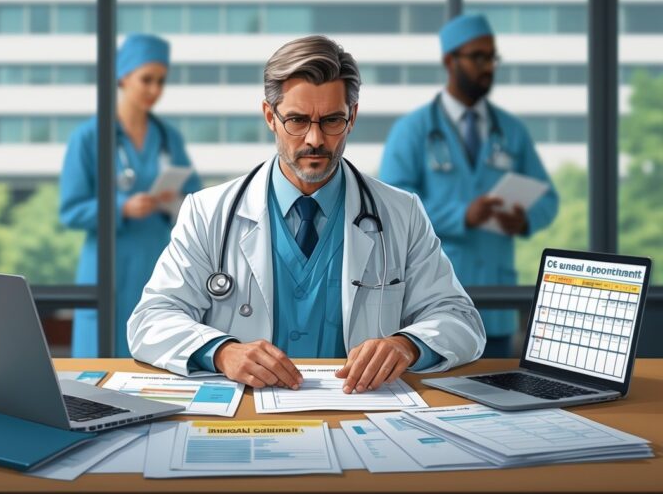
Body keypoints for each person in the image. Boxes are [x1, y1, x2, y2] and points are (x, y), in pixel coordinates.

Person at [127, 35, 484, 393]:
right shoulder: (208, 213)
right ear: (270, 116)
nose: (315, 139)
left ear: (352, 118)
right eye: (297, 120)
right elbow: (151, 320)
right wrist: (221, 352)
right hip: (248, 409)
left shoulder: (401, 213)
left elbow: (461, 320)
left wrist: (407, 345)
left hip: (360, 409)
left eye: (332, 120)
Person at [379, 14, 558, 357]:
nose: (487, 66)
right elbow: (390, 207)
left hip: (496, 306)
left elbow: (548, 198)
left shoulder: (512, 131)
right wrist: (462, 215)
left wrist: (525, 220)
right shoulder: (413, 130)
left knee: (501, 389)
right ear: (450, 61)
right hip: (431, 314)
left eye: (491, 58)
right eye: (478, 57)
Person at [60, 34, 201, 357]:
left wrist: (174, 203)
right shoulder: (88, 138)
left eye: (161, 81)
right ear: (123, 77)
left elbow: (196, 202)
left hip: (156, 259)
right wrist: (122, 208)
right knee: (98, 361)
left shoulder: (168, 137)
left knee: (155, 355)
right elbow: (71, 209)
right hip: (106, 264)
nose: (155, 90)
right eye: (146, 79)